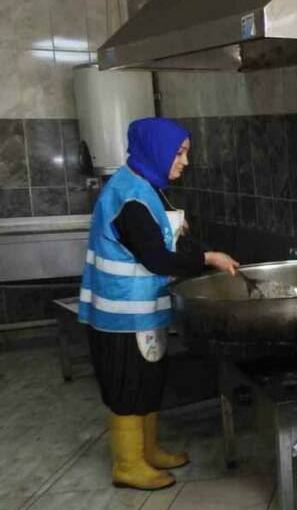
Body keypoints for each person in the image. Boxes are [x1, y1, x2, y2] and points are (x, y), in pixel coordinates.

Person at [78, 117, 239, 491]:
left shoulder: (145, 186)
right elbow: (156, 259)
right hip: (122, 315)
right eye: (179, 153)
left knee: (147, 382)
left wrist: (188, 241)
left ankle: (147, 450)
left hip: (142, 310)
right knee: (127, 386)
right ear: (156, 151)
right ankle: (128, 463)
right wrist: (208, 259)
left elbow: (162, 239)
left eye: (185, 153)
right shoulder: (129, 197)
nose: (184, 161)